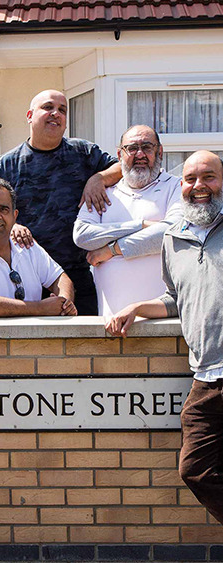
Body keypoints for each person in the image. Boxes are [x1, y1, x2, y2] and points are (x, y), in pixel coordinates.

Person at [106, 150, 223, 523]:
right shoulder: (175, 239)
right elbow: (177, 298)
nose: (198, 186)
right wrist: (137, 307)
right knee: (195, 470)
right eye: (190, 179)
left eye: (209, 177)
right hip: (206, 378)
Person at [0, 89, 120, 315]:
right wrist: (12, 226)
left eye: (62, 110)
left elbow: (122, 167)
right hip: (26, 276)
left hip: (79, 272)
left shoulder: (84, 153)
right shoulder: (6, 166)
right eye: (48, 107)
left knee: (87, 345)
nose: (55, 114)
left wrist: (98, 178)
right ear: (30, 115)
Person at [74, 125, 182, 316]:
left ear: (160, 152)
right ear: (120, 154)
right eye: (132, 148)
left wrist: (111, 250)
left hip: (161, 323)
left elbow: (171, 233)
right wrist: (141, 225)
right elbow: (82, 236)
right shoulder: (103, 193)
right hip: (109, 322)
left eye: (147, 147)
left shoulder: (176, 187)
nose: (139, 154)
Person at [0, 178, 77, 317]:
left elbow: (59, 278)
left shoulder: (25, 243)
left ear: (14, 215)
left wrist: (64, 304)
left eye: (3, 209)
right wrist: (41, 308)